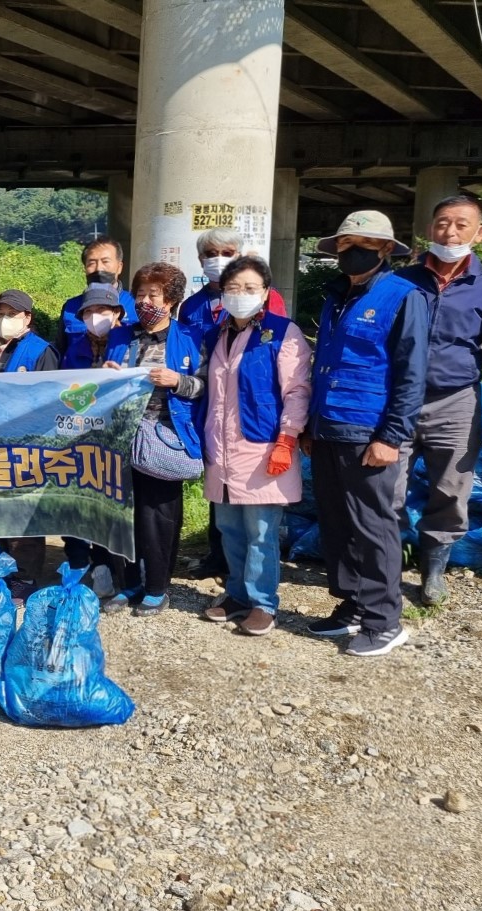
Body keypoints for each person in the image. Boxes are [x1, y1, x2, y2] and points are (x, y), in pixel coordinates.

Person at [302, 210, 427, 657]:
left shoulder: (403, 296)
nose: (350, 253)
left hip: (368, 430)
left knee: (374, 526)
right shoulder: (337, 296)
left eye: (362, 245)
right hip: (329, 426)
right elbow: (326, 364)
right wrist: (311, 424)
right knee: (336, 521)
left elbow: (410, 374)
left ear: (384, 251)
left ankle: (384, 620)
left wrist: (391, 436)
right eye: (344, 245)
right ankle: (353, 604)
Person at [199, 256, 312, 636]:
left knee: (262, 532)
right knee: (229, 527)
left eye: (250, 288)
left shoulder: (282, 333)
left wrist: (287, 438)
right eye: (233, 288)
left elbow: (297, 390)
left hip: (262, 447)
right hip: (222, 449)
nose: (241, 295)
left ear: (265, 293)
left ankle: (263, 603)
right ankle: (236, 595)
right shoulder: (216, 334)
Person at [178, 228, 289, 581]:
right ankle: (218, 557)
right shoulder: (192, 306)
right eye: (212, 253)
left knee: (253, 501)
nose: (219, 259)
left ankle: (253, 583)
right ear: (201, 260)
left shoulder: (269, 302)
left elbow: (283, 361)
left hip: (252, 408)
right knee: (218, 489)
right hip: (208, 404)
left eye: (227, 252)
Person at [395, 194, 482, 605]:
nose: (449, 233)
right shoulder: (402, 281)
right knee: (385, 487)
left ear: (480, 234)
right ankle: (386, 565)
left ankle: (433, 572)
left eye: (461, 225)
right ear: (429, 229)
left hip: (456, 400)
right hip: (397, 400)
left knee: (451, 489)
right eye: (442, 223)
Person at [101, 263, 206, 617]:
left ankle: (158, 587)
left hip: (165, 436)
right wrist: (105, 377)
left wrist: (178, 380)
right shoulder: (121, 337)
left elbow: (207, 387)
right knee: (124, 513)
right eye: (141, 294)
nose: (145, 301)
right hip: (121, 438)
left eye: (154, 295)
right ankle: (129, 582)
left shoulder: (190, 338)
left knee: (157, 515)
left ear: (172, 300)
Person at [0, 289, 60, 603]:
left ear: (27, 318)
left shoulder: (41, 351)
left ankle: (25, 575)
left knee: (25, 516)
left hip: (28, 447)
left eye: (11, 315)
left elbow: (50, 399)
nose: (4, 320)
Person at [60, 285, 128, 598]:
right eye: (88, 311)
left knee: (106, 501)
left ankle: (107, 565)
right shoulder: (73, 346)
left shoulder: (128, 342)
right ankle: (77, 561)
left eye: (103, 311)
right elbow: (62, 388)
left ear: (117, 315)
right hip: (77, 433)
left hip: (115, 438)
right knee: (73, 499)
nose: (95, 317)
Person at [56, 236, 136, 357]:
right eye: (92, 263)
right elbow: (60, 349)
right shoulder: (70, 307)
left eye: (105, 262)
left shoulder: (136, 303)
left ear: (119, 267)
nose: (99, 268)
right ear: (85, 269)